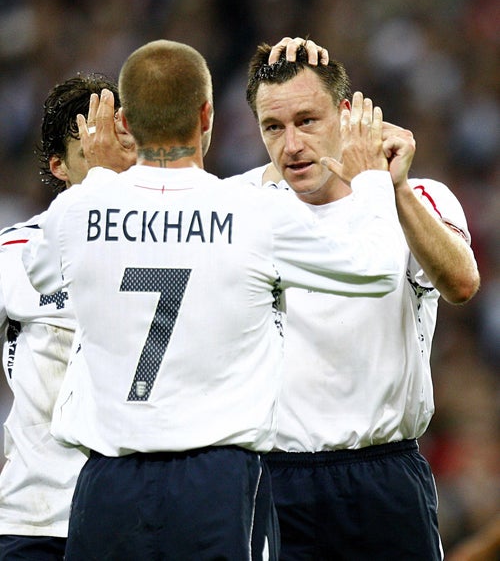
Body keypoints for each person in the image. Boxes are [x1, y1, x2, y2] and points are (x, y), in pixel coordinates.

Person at [22, 39, 407, 560]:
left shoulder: (79, 208)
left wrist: (101, 184)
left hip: (107, 483)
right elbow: (379, 269)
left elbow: (41, 272)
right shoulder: (251, 212)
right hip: (217, 485)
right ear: (207, 116)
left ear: (127, 123)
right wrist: (374, 183)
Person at [242, 38, 481, 560]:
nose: (292, 145)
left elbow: (462, 283)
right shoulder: (245, 210)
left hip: (386, 475)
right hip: (280, 480)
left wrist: (389, 187)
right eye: (273, 127)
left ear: (348, 116)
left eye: (308, 120)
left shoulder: (421, 197)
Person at [0, 73, 131, 561]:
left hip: (136, 514)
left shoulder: (178, 245)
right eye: (92, 152)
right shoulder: (14, 254)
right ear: (59, 166)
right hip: (38, 519)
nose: (114, 164)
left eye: (121, 143)